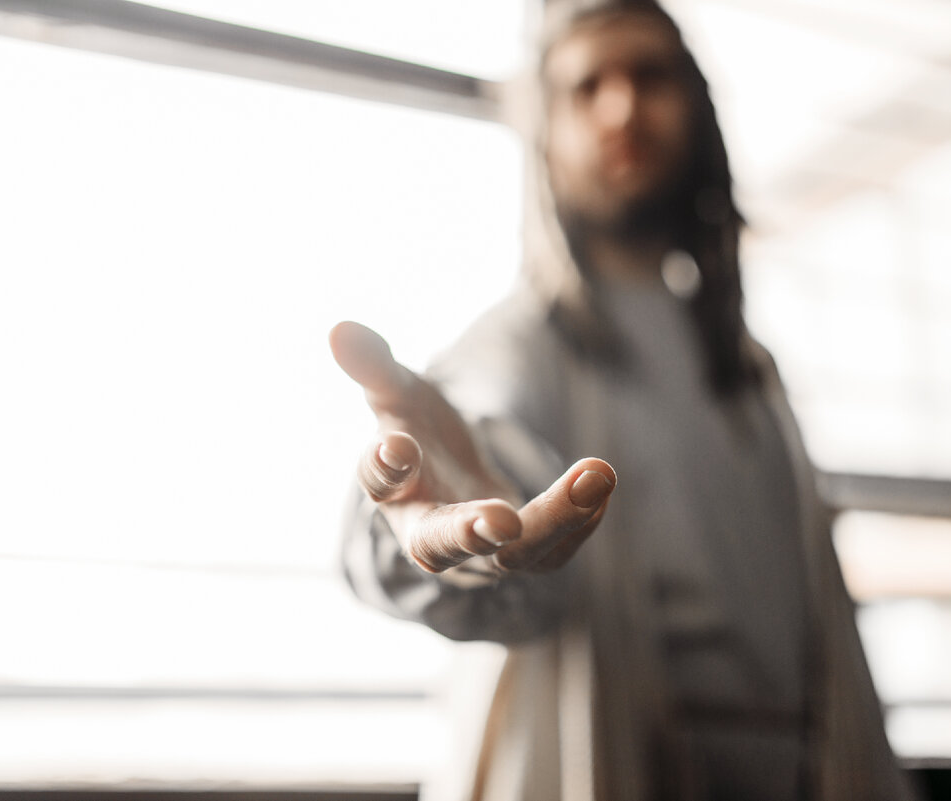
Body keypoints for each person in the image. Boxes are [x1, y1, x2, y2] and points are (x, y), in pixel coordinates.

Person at [330, 1, 917, 799]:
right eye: (587, 87)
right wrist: (444, 521)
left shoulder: (751, 371)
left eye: (649, 76)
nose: (622, 108)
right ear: (547, 136)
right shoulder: (522, 344)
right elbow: (471, 460)